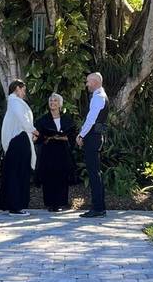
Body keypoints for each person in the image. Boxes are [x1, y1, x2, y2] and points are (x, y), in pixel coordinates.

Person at [0, 80, 37, 216]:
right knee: (18, 173)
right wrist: (34, 130)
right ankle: (16, 206)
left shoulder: (14, 102)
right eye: (23, 89)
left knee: (16, 172)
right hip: (19, 141)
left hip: (19, 140)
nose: (24, 92)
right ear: (17, 89)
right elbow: (23, 119)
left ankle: (14, 205)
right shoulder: (14, 101)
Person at [34, 93, 77, 212]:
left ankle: (61, 202)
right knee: (49, 176)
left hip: (62, 150)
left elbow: (73, 136)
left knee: (61, 175)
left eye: (55, 101)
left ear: (60, 104)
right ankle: (50, 203)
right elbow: (37, 135)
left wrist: (63, 138)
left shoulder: (67, 120)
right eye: (51, 101)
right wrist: (47, 137)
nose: (53, 103)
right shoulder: (42, 120)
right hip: (48, 151)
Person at [77, 72, 108, 218]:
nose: (87, 84)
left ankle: (98, 208)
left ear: (95, 82)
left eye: (88, 81)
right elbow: (102, 124)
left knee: (94, 173)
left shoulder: (98, 97)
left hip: (93, 139)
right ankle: (100, 207)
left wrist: (82, 135)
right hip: (96, 137)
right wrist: (99, 136)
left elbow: (91, 119)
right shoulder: (101, 96)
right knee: (96, 173)